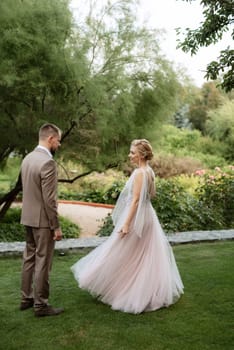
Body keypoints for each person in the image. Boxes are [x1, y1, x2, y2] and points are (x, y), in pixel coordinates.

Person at [71, 139, 184, 314]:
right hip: (148, 216)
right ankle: (141, 291)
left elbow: (136, 200)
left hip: (136, 217)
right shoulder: (150, 171)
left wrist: (126, 223)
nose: (129, 155)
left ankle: (104, 283)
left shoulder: (140, 173)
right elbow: (151, 195)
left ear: (142, 154)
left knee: (118, 250)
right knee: (141, 255)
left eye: (132, 152)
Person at [20, 123, 64, 317]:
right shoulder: (48, 162)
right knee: (43, 262)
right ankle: (41, 305)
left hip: (27, 217)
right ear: (51, 139)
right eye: (58, 141)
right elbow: (49, 199)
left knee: (29, 259)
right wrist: (56, 226)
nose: (59, 145)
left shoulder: (27, 158)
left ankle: (26, 298)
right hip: (43, 221)